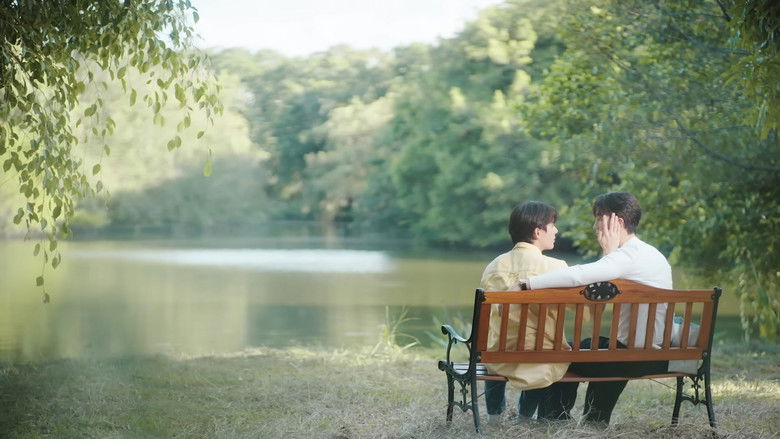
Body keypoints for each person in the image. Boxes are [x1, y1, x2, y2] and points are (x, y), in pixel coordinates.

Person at [517, 191, 673, 426]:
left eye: (599, 218)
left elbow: (580, 275)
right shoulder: (650, 253)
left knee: (561, 352)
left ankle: (554, 418)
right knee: (595, 346)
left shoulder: (627, 256)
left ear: (617, 221)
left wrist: (528, 283)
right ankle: (594, 420)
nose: (594, 226)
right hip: (653, 354)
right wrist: (610, 253)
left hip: (630, 356)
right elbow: (603, 279)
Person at [480, 201, 569, 424]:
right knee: (541, 358)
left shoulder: (495, 265)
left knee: (494, 345)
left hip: (499, 354)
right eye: (553, 225)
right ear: (538, 232)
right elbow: (583, 314)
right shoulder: (558, 268)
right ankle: (525, 418)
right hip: (544, 355)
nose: (556, 230)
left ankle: (494, 418)